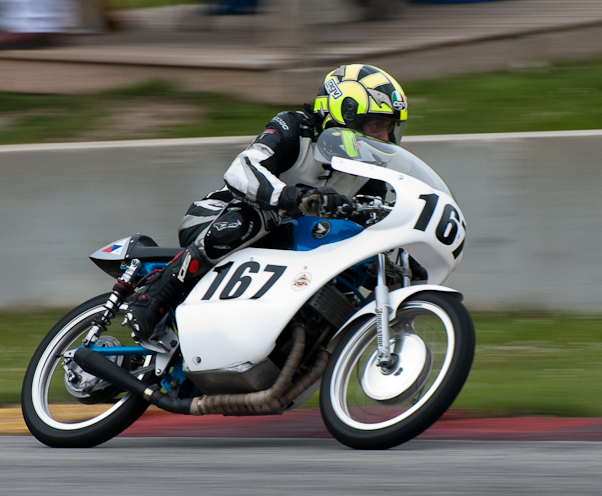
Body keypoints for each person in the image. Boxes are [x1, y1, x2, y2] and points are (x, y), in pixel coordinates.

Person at [124, 63, 409, 342]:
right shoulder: (294, 128)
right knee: (260, 217)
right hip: (217, 219)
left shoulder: (370, 175)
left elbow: (364, 232)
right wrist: (292, 197)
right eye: (375, 126)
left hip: (292, 251)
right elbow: (242, 170)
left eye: (389, 128)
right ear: (345, 113)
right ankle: (157, 293)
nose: (384, 138)